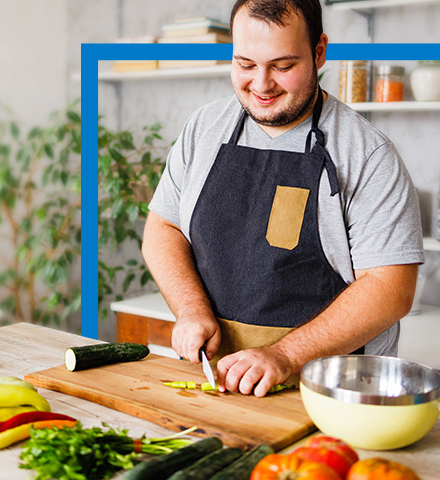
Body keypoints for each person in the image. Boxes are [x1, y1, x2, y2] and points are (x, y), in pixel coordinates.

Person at [141, 0, 423, 397]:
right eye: (245, 64)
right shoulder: (204, 128)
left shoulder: (368, 155)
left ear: (319, 52)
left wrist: (286, 355)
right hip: (217, 383)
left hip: (331, 393)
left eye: (283, 66)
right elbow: (163, 226)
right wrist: (191, 310)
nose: (261, 85)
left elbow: (390, 289)